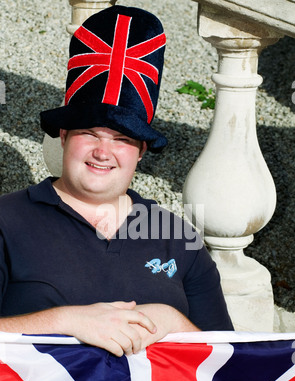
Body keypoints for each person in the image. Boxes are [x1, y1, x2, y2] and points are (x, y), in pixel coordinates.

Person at [0, 6, 233, 356]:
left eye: (122, 139)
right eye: (89, 133)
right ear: (63, 136)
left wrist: (170, 322)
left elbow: (234, 361)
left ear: (140, 151)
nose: (103, 151)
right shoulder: (7, 221)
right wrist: (67, 322)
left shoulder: (177, 238)